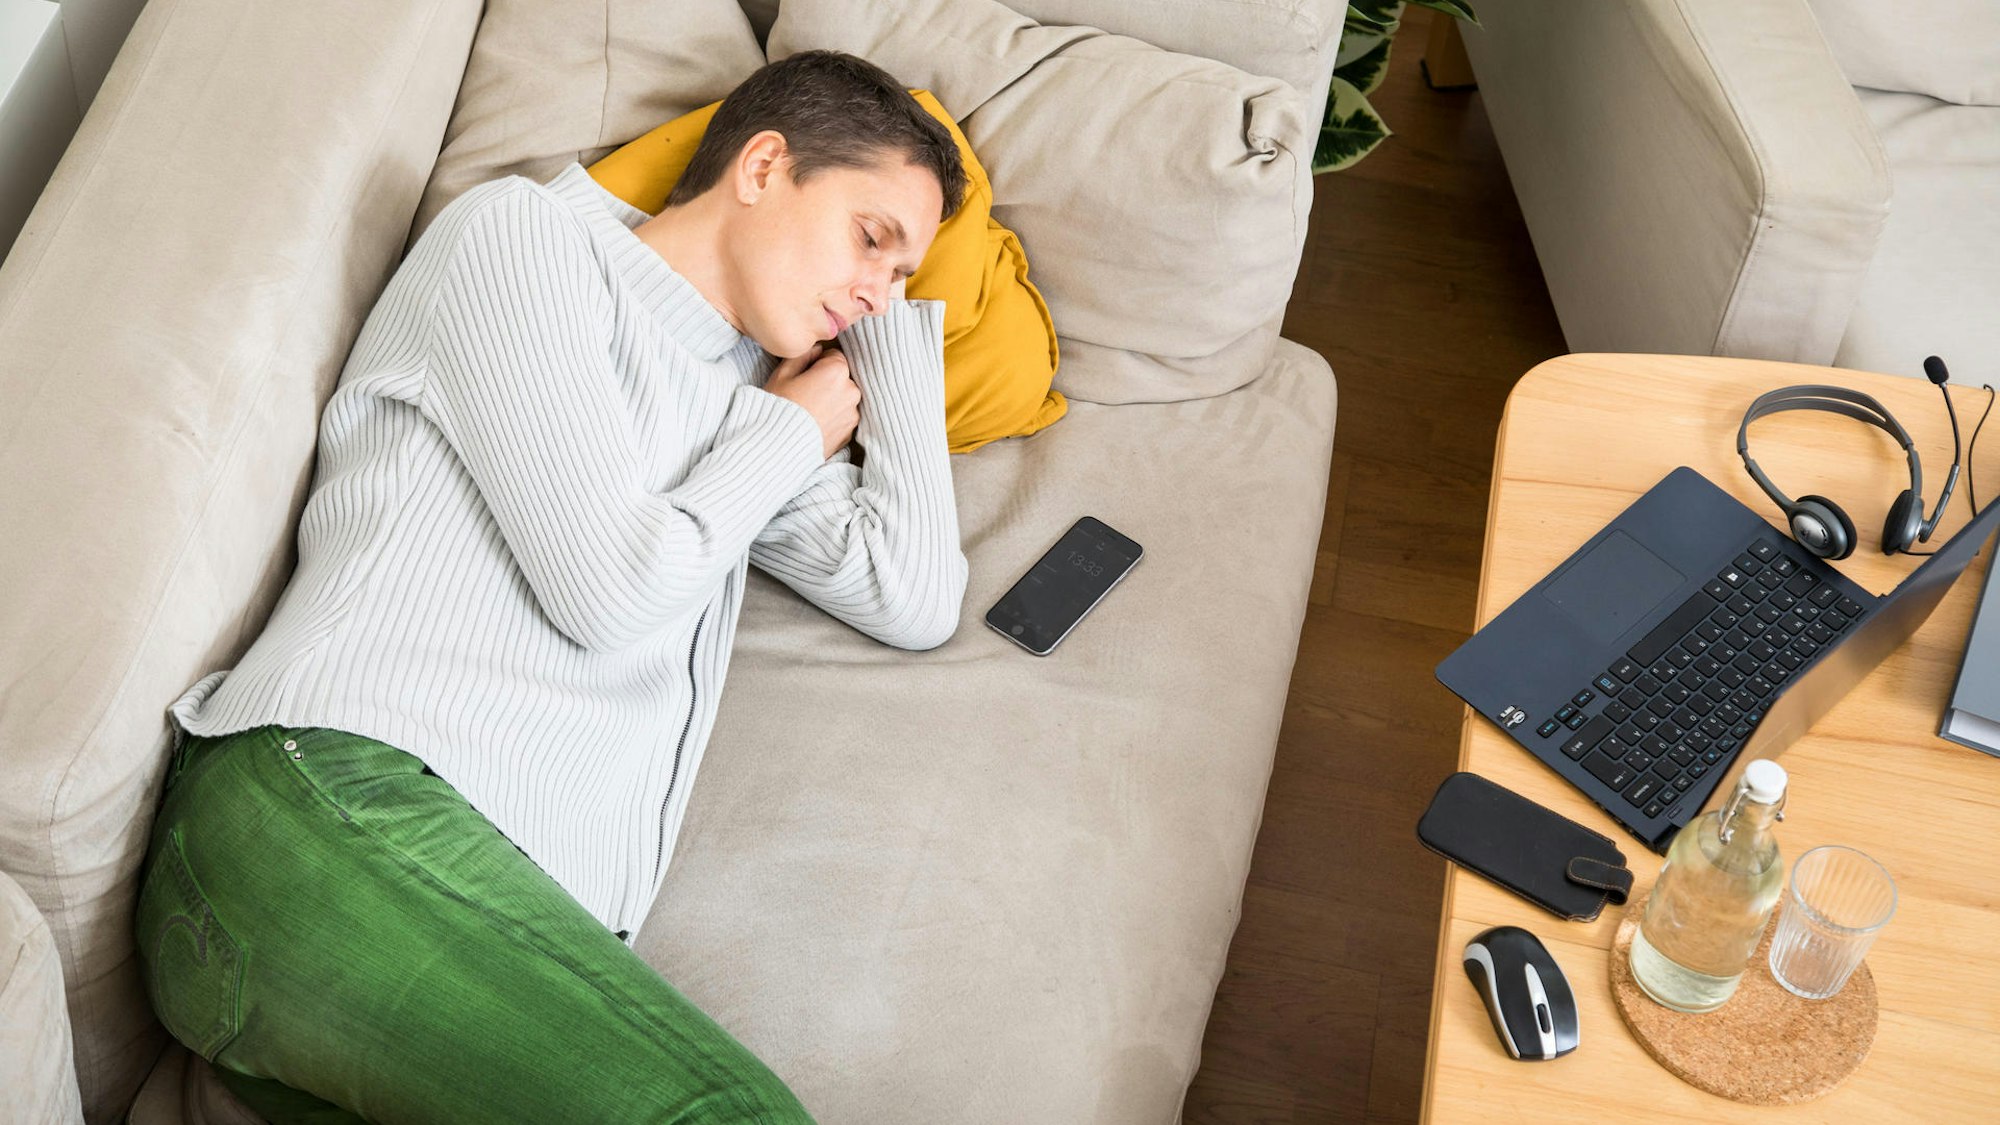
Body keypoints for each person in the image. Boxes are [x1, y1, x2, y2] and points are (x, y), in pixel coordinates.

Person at [134, 50, 969, 1123]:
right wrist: (793, 432)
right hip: (331, 811)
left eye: (905, 276)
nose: (874, 291)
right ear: (762, 165)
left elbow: (912, 598)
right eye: (871, 241)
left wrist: (883, 356)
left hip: (453, 938)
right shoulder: (524, 242)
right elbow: (610, 591)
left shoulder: (748, 405)